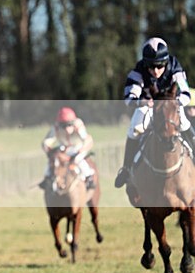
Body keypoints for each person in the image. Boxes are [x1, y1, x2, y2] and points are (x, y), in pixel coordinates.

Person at [114, 36, 195, 188]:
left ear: (166, 62)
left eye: (159, 66)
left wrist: (175, 102)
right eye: (151, 67)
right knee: (134, 129)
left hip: (171, 106)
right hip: (149, 106)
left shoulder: (174, 66)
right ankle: (126, 169)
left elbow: (185, 93)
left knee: (184, 124)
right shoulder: (138, 70)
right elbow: (129, 98)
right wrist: (142, 102)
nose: (155, 71)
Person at [39, 107, 95, 190]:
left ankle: (89, 177)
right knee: (54, 160)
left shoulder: (78, 125)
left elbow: (87, 140)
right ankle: (47, 177)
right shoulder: (56, 127)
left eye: (69, 125)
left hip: (78, 146)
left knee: (77, 159)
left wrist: (81, 150)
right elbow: (46, 142)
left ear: (73, 123)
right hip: (64, 147)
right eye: (63, 126)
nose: (66, 129)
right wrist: (49, 151)